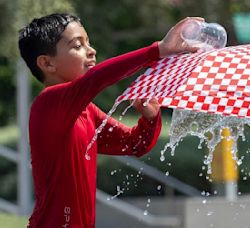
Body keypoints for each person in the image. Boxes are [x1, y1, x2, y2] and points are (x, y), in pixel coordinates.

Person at [18, 13, 203, 227]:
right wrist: (157, 51)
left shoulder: (87, 112)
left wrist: (150, 118)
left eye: (88, 43)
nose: (91, 51)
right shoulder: (47, 103)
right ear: (47, 63)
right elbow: (97, 78)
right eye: (78, 45)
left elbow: (135, 144)